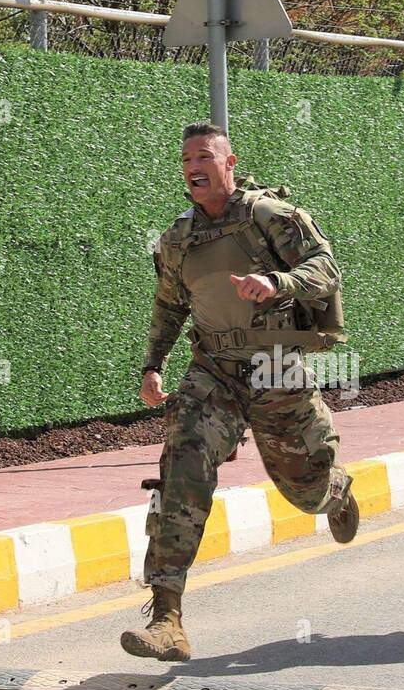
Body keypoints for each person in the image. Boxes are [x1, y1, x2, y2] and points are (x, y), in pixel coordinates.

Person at [121, 121, 359, 661]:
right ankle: (166, 618)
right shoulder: (178, 238)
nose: (192, 167)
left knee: (304, 490)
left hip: (277, 368)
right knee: (182, 466)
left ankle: (335, 491)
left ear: (228, 163)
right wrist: (153, 365)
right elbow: (169, 305)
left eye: (204, 157)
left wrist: (279, 283)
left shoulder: (268, 217)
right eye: (185, 160)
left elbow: (327, 268)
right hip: (214, 371)